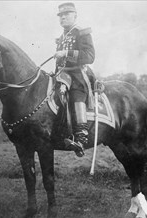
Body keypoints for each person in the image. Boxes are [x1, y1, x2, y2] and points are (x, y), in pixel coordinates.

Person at [54, 2, 95, 157]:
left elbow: (90, 57)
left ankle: (81, 135)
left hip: (78, 74)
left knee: (77, 95)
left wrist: (66, 53)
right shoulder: (61, 37)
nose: (62, 17)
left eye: (66, 14)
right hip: (63, 75)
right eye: (60, 15)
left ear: (75, 15)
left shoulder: (82, 32)